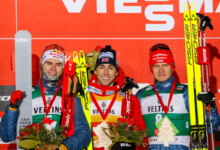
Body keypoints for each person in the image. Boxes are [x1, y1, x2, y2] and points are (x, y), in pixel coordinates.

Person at [0, 44, 91, 150]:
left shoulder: (70, 98)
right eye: (49, 63)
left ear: (63, 68)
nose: (53, 68)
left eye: (58, 64)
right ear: (42, 65)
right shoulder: (26, 96)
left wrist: (62, 147)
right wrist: (12, 108)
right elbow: (6, 137)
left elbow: (84, 133)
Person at [135, 43, 219, 150]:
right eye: (156, 66)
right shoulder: (141, 95)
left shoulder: (186, 93)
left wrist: (210, 107)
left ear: (172, 67)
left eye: (165, 65)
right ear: (151, 68)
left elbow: (211, 128)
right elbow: (133, 130)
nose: (161, 70)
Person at [87, 45, 147, 150]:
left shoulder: (129, 100)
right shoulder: (83, 99)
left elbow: (142, 140)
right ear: (95, 71)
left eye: (111, 68)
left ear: (116, 72)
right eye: (101, 67)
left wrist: (130, 147)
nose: (106, 72)